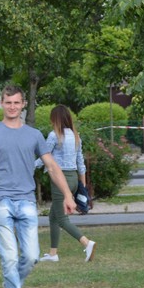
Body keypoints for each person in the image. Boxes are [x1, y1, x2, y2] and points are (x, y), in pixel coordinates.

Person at [0, 85, 75, 288]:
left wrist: (68, 195)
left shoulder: (34, 135)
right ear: (1, 104)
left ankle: (11, 286)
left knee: (31, 256)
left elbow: (52, 166)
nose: (12, 107)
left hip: (26, 201)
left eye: (16, 103)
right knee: (9, 257)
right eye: (8, 102)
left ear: (23, 105)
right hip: (0, 200)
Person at [36, 105, 97, 263]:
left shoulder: (53, 135)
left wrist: (26, 166)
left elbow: (44, 158)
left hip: (59, 179)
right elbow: (81, 163)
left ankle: (86, 243)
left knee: (62, 219)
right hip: (73, 179)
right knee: (53, 217)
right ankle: (53, 254)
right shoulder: (76, 136)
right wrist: (82, 188)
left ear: (54, 119)